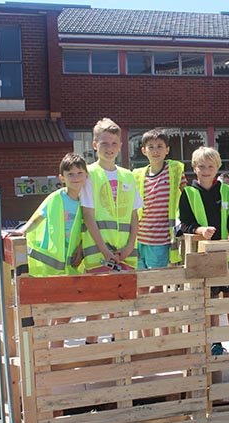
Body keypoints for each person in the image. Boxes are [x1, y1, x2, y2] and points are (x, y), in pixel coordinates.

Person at [11, 153, 88, 348]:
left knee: (65, 312)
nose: (76, 177)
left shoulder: (86, 201)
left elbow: (86, 228)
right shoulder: (56, 198)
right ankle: (42, 352)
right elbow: (38, 217)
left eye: (80, 173)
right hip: (49, 264)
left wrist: (81, 248)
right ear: (62, 177)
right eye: (70, 174)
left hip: (70, 265)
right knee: (45, 311)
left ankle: (56, 350)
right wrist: (21, 232)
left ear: (86, 175)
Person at [81, 118, 142, 344]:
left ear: (121, 145)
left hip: (126, 253)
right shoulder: (88, 174)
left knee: (120, 305)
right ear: (95, 144)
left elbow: (134, 216)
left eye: (114, 143)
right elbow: (88, 216)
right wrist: (104, 250)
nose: (109, 148)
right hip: (98, 254)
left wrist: (129, 246)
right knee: (95, 305)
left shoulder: (128, 175)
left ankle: (118, 350)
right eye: (104, 143)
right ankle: (92, 349)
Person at [179, 147, 229, 355]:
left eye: (210, 166)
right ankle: (216, 340)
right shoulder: (188, 193)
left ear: (217, 167)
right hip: (203, 254)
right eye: (201, 166)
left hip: (227, 252)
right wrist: (200, 230)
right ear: (194, 168)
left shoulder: (228, 191)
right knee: (212, 296)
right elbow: (185, 225)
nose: (206, 170)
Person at [133, 129, 187, 337]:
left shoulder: (174, 171)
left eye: (160, 146)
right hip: (139, 239)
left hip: (160, 238)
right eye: (151, 147)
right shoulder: (137, 174)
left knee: (157, 288)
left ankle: (163, 336)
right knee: (141, 290)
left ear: (167, 150)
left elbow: (185, 195)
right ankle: (147, 337)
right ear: (143, 150)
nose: (155, 151)